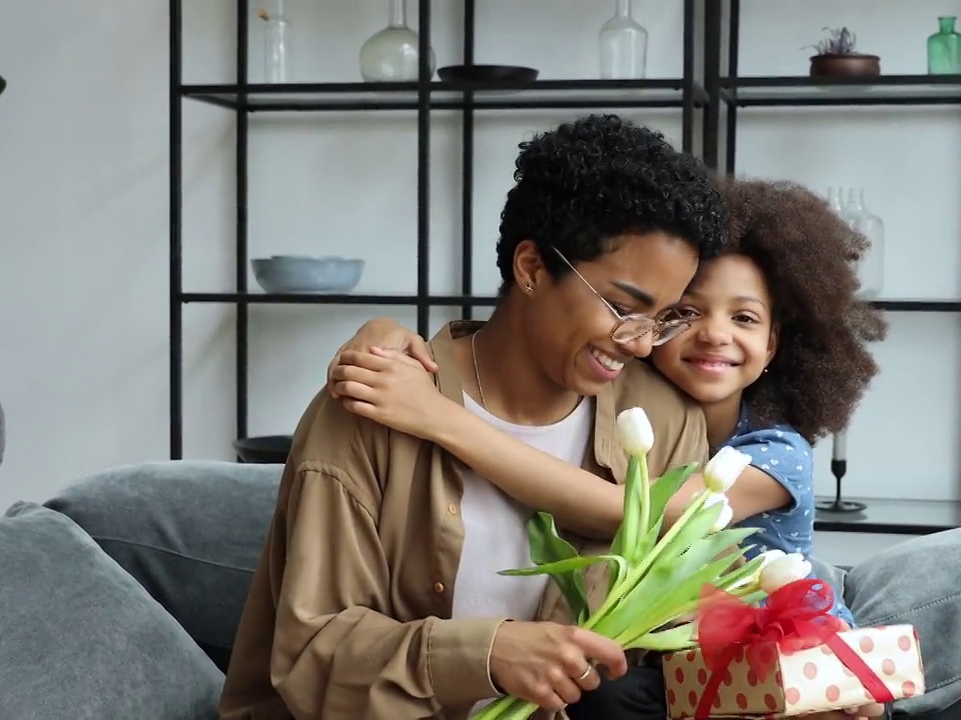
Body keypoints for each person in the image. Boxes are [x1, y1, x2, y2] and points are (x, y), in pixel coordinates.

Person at [217, 113, 734, 720]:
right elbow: (312, 654)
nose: (643, 343)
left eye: (666, 317)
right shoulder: (372, 400)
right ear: (532, 268)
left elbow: (674, 639)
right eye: (623, 307)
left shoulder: (661, 419)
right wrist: (486, 654)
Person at [325, 176, 890, 720]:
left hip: (791, 659)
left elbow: (631, 512)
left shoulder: (777, 451)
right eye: (683, 313)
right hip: (690, 658)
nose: (714, 333)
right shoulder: (643, 400)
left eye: (743, 317)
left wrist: (442, 419)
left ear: (773, 345)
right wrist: (381, 330)